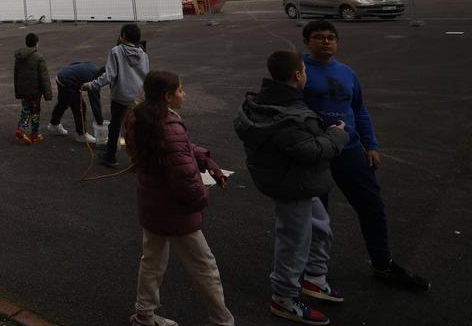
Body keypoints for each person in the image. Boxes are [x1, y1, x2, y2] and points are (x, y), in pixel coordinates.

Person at [299, 20, 429, 292]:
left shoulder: (347, 73)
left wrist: (371, 144)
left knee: (372, 206)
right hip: (316, 153)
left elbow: (359, 110)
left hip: (349, 150)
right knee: (314, 216)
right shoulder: (299, 70)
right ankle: (310, 271)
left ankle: (383, 263)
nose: (326, 41)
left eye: (331, 37)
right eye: (319, 37)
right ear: (307, 42)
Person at [235, 49, 350, 325]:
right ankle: (284, 297)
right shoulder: (290, 115)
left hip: (295, 182)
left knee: (320, 227)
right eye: (305, 71)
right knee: (294, 241)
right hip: (292, 184)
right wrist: (337, 135)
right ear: (298, 75)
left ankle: (314, 277)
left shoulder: (263, 102)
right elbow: (311, 150)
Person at [125, 70, 233, 326]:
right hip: (175, 211)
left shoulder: (139, 118)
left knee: (152, 260)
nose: (184, 94)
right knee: (205, 267)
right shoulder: (168, 126)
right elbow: (186, 180)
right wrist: (202, 197)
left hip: (152, 205)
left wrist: (204, 158)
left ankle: (144, 314)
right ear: (168, 97)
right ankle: (222, 320)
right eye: (181, 90)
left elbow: (178, 147)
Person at [84, 23, 150, 168]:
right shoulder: (143, 54)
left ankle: (111, 157)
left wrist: (91, 85)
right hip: (138, 98)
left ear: (123, 36)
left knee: (115, 126)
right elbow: (146, 76)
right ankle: (137, 160)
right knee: (135, 128)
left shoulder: (116, 51)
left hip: (120, 96)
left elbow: (109, 75)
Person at [48, 60, 105, 142]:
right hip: (68, 82)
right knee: (80, 107)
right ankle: (81, 134)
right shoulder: (94, 81)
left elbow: (75, 63)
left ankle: (54, 124)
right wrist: (100, 124)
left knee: (64, 102)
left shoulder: (93, 67)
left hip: (61, 75)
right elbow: (95, 104)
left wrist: (69, 72)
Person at [13, 33, 52, 144]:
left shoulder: (19, 56)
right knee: (35, 111)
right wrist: (47, 94)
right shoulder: (39, 57)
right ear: (36, 43)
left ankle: (21, 129)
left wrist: (18, 90)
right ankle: (35, 134)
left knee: (26, 109)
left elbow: (16, 74)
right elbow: (44, 77)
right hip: (35, 91)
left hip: (24, 90)